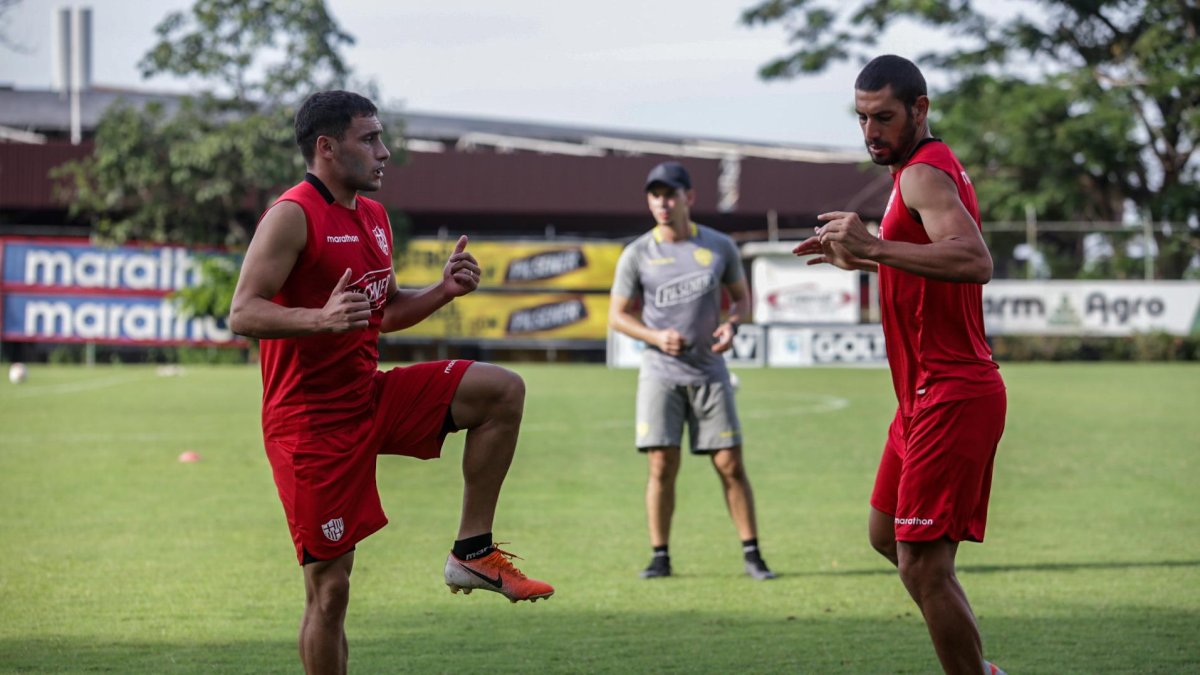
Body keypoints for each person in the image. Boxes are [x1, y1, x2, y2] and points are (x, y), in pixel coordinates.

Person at [229, 90, 553, 675]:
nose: (384, 152)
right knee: (330, 593)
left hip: (369, 396)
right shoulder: (291, 214)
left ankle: (472, 552)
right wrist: (317, 320)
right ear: (327, 148)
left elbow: (382, 311)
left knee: (501, 390)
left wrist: (442, 293)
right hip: (310, 426)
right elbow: (242, 312)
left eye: (382, 138)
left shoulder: (373, 217)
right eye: (370, 139)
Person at [792, 55, 1007, 675]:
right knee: (888, 536)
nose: (870, 132)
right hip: (918, 398)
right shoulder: (915, 173)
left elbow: (974, 261)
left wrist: (876, 246)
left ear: (920, 109)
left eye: (883, 117)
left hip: (953, 390)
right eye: (861, 119)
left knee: (921, 563)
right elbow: (926, 256)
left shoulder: (922, 174)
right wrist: (861, 260)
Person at [609, 161, 775, 581]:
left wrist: (732, 324)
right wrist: (653, 336)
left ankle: (752, 554)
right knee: (662, 464)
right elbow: (617, 316)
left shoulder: (719, 246)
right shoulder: (638, 253)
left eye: (670, 194)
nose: (663, 203)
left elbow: (741, 300)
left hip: (709, 371)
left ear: (689, 198)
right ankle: (660, 556)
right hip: (660, 373)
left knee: (730, 463)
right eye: (655, 195)